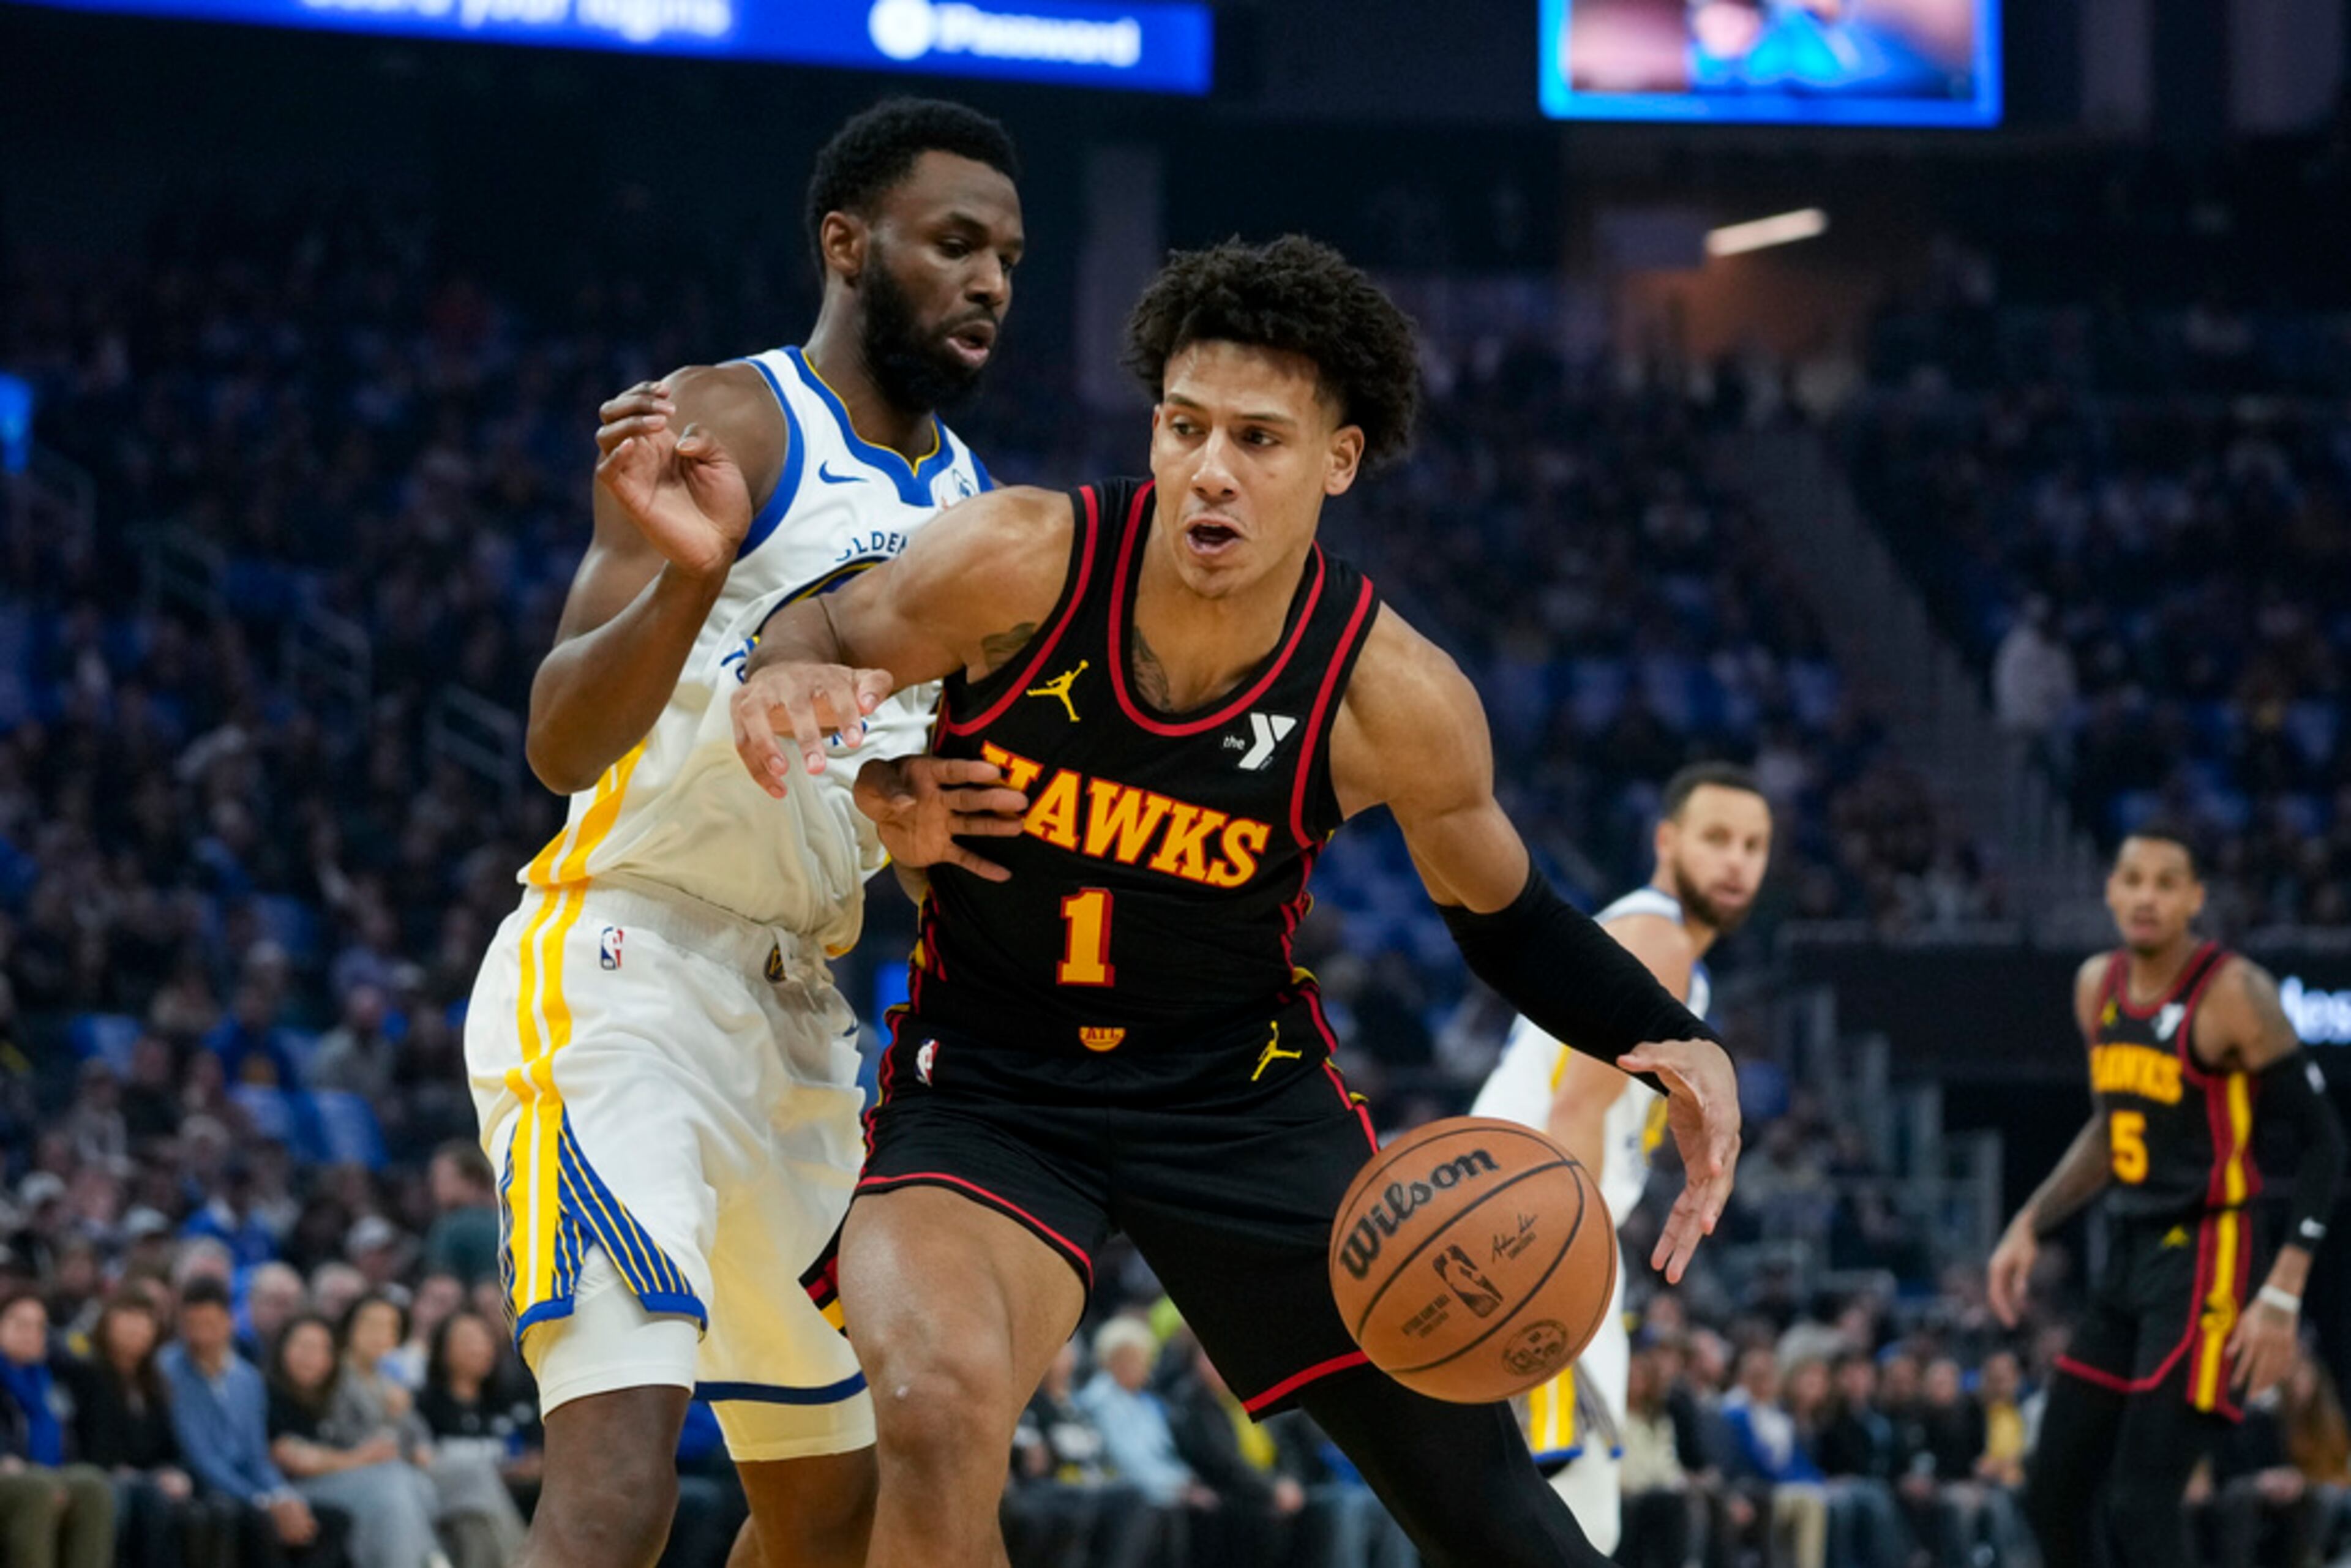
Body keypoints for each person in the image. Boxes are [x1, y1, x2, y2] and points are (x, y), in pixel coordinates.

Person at [691, 234, 1740, 1567]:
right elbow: (822, 629)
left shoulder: (1391, 693)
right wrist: (818, 715)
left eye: (1259, 437)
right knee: (933, 1410)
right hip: (998, 1082)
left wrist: (1675, 1034)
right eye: (1185, 426)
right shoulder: (1023, 558)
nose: (1211, 469)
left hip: (1239, 1098)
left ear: (1338, 461)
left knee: (1484, 1500)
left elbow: (1506, 913)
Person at [464, 96, 1029, 1568]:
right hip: (621, 966)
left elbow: (879, 777)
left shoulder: (969, 508)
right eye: (953, 243)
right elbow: (558, 738)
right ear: (848, 244)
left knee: (838, 1503)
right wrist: (681, 585)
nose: (988, 282)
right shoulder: (728, 414)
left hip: (794, 1014)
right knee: (613, 1486)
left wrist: (902, 815)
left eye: (1010, 259)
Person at [1987, 827, 2348, 1568]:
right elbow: (2111, 1129)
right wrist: (2031, 1219)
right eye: (2133, 879)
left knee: (2139, 1501)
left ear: (2194, 898)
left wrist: (2283, 1289)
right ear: (2112, 890)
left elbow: (2324, 1142)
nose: (2147, 896)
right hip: (2127, 1251)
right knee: (2052, 1488)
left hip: (2211, 1251)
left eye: (2166, 882)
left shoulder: (2234, 992)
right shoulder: (2097, 986)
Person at [1469, 760, 1772, 1549]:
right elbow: (1577, 1103)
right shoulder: (1658, 936)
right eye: (1716, 838)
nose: (1736, 859)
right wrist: (1558, 1260)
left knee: (1531, 1515)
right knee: (1566, 1514)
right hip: (1535, 1229)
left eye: (1753, 844)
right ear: (1666, 840)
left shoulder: (1660, 945)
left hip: (1521, 1216)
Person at [160, 1278, 344, 1568]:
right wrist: (264, 1503)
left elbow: (257, 1456)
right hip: (203, 1485)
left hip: (247, 1485)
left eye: (209, 1324)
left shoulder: (248, 1379)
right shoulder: (170, 1370)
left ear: (229, 1322)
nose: (200, 1335)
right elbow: (201, 1457)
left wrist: (284, 1496)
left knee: (331, 1520)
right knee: (259, 1522)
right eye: (191, 1325)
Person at [340, 1292, 525, 1568]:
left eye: (390, 1327)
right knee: (469, 1470)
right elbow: (340, 1435)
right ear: (349, 1327)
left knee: (473, 1511)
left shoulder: (387, 1379)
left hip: (411, 1467)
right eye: (372, 1325)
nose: (382, 1335)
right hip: (374, 1473)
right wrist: (391, 1431)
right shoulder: (337, 1375)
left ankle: (520, 1558)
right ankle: (528, 1558)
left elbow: (416, 1431)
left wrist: (421, 1445)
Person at [264, 1314, 444, 1568]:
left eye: (322, 1350)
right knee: (391, 1491)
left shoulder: (328, 1396)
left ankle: (429, 1559)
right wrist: (363, 1457)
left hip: (337, 1480)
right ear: (282, 1349)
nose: (311, 1358)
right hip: (290, 1492)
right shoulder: (270, 1394)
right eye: (304, 1347)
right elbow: (292, 1457)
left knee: (412, 1482)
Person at [65, 1292, 203, 1568]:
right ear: (107, 1323)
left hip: (146, 1478)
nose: (135, 1328)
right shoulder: (88, 1373)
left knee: (200, 1507)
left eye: (144, 1321)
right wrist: (129, 1472)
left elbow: (170, 1446)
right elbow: (89, 1441)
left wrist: (176, 1472)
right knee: (147, 1500)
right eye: (127, 1317)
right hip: (101, 1473)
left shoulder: (155, 1384)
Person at [0, 1289, 115, 1568]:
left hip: (43, 1472)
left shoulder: (49, 1379)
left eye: (39, 1327)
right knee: (38, 1487)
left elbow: (66, 1437)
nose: (31, 1334)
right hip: (11, 1473)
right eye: (21, 1324)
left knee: (91, 1483)